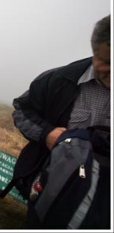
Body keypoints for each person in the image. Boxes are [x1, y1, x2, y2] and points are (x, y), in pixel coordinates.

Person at [10, 15, 110, 228]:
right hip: (50, 193)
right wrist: (46, 133)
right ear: (94, 51)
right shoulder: (58, 79)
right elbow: (22, 110)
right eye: (107, 62)